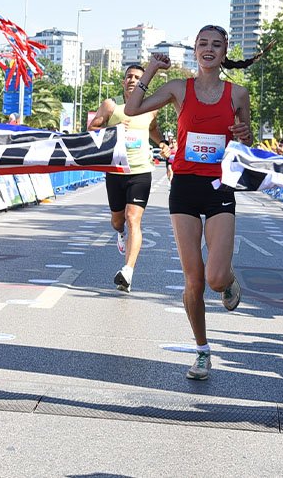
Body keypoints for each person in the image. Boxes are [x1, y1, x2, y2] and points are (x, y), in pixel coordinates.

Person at [124, 25, 253, 380]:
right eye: (203, 44)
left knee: (215, 278)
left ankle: (228, 281)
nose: (209, 49)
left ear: (225, 51)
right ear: (195, 50)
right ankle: (202, 351)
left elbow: (247, 142)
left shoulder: (238, 93)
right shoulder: (179, 89)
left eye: (216, 44)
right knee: (194, 280)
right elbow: (132, 108)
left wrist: (245, 134)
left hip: (219, 187)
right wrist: (152, 68)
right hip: (184, 187)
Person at [88, 64, 163, 293]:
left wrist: (162, 143)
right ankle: (120, 234)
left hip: (141, 171)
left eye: (137, 77)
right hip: (116, 172)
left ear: (144, 83)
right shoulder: (111, 106)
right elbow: (92, 128)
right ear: (123, 82)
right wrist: (114, 130)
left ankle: (128, 271)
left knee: (134, 218)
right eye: (129, 77)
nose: (132, 80)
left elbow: (153, 129)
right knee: (117, 221)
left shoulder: (151, 108)